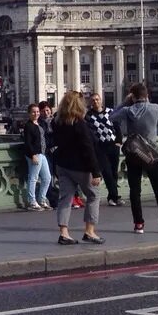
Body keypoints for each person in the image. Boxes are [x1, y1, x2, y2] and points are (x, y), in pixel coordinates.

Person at [111, 82, 158, 235]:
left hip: (134, 154)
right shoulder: (155, 108)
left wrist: (126, 102)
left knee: (135, 191)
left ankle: (139, 224)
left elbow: (111, 117)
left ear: (132, 96)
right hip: (151, 154)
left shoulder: (127, 110)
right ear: (147, 95)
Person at [50, 90, 102, 245]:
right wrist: (96, 171)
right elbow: (88, 149)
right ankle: (89, 231)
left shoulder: (57, 122)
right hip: (80, 167)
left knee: (65, 198)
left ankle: (64, 233)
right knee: (93, 195)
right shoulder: (79, 124)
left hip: (62, 165)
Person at [86, 92, 123, 206]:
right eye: (93, 100)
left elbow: (117, 127)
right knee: (106, 172)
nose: (95, 102)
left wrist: (119, 142)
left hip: (113, 145)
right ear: (90, 102)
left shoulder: (110, 112)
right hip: (100, 148)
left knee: (114, 172)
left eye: (97, 99)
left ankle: (112, 197)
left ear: (101, 100)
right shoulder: (88, 116)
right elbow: (89, 133)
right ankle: (115, 197)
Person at [21, 103, 52, 210]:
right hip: (34, 154)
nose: (36, 114)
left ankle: (42, 199)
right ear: (29, 113)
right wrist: (33, 155)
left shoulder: (40, 124)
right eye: (33, 112)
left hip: (42, 154)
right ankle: (31, 201)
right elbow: (28, 142)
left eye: (37, 112)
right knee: (33, 178)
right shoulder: (28, 126)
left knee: (47, 178)